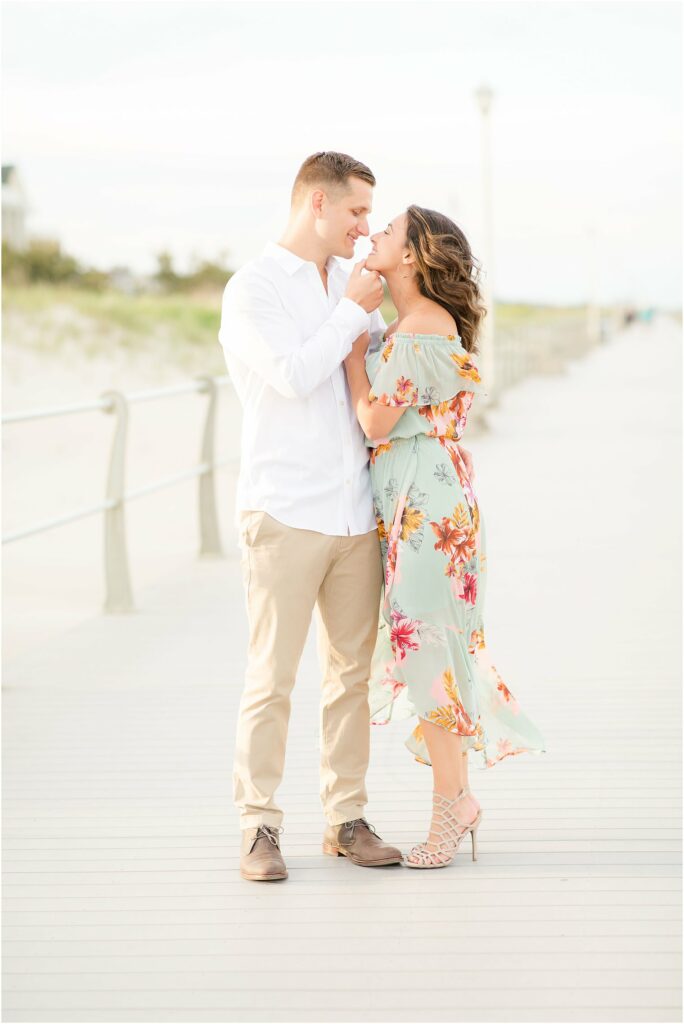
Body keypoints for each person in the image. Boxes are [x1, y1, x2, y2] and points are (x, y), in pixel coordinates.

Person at [218, 151, 410, 881]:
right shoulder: (254, 288)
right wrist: (355, 312)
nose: (366, 228)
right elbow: (295, 375)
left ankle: (346, 817)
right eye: (358, 211)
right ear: (317, 204)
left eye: (371, 215)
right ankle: (259, 826)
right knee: (271, 677)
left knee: (350, 677)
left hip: (353, 512)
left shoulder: (350, 283)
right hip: (284, 509)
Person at [343, 205, 547, 869]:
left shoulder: (424, 325)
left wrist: (351, 349)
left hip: (426, 506)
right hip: (415, 499)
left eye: (388, 231)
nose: (374, 234)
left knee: (426, 655)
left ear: (411, 256)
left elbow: (375, 420)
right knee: (424, 653)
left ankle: (449, 810)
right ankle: (457, 800)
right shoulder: (405, 325)